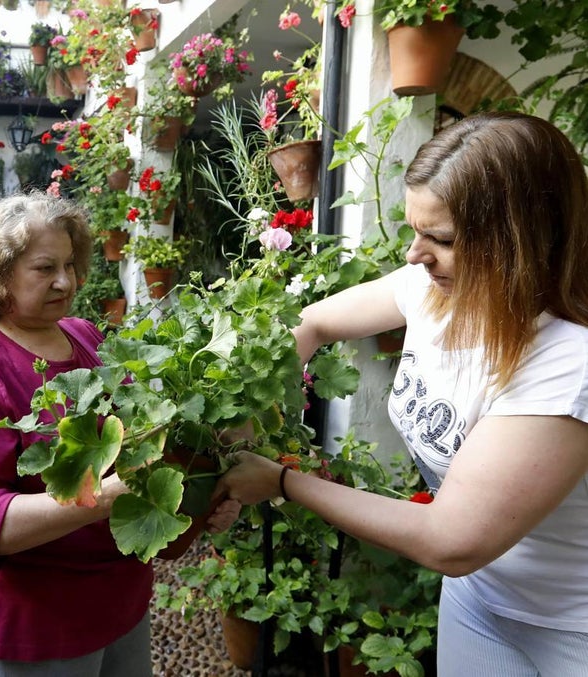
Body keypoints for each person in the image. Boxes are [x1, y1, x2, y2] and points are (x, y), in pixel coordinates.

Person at [215, 112, 588, 675]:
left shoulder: (568, 361)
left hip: (570, 626)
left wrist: (283, 482)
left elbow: (450, 539)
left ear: (520, 244)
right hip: (478, 599)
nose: (414, 254)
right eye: (416, 230)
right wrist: (249, 409)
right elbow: (310, 324)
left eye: (439, 238)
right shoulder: (433, 290)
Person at [0, 193, 239, 675]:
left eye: (70, 264)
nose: (66, 281)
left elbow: (144, 437)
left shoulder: (84, 336)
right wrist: (101, 497)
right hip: (36, 616)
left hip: (116, 597)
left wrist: (202, 495)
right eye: (44, 268)